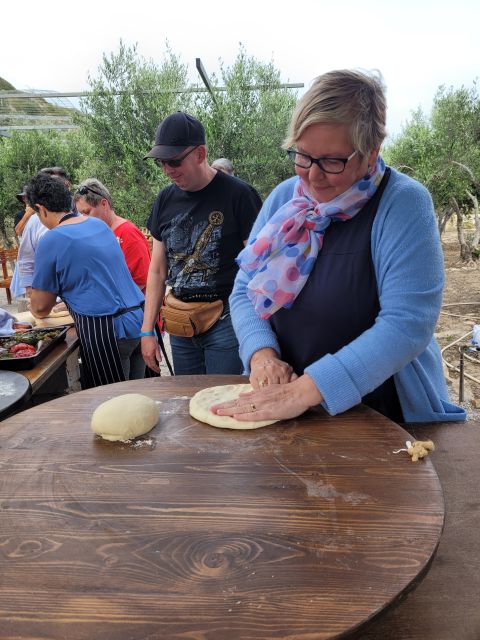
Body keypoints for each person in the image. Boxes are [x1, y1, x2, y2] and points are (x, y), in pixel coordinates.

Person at [212, 69, 466, 425]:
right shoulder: (286, 197)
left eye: (332, 161)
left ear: (371, 151)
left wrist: (303, 392)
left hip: (382, 409)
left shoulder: (403, 203)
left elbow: (407, 325)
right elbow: (244, 289)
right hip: (285, 405)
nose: (312, 176)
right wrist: (262, 354)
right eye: (302, 156)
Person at [142, 111, 262, 375]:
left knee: (221, 398)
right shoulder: (164, 199)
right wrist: (147, 329)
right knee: (187, 400)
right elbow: (157, 270)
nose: (167, 170)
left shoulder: (240, 195)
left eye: (173, 161)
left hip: (227, 318)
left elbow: (258, 269)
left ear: (200, 153)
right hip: (180, 321)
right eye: (161, 162)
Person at [26, 172, 145, 387]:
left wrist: (34, 300)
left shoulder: (52, 239)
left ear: (41, 209)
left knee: (114, 406)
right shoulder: (99, 225)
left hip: (108, 332)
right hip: (138, 321)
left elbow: (41, 308)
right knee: (140, 398)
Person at [74, 178, 151, 293]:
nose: (83, 219)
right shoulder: (96, 233)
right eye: (81, 214)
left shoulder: (128, 233)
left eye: (87, 212)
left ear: (104, 204)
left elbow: (140, 281)